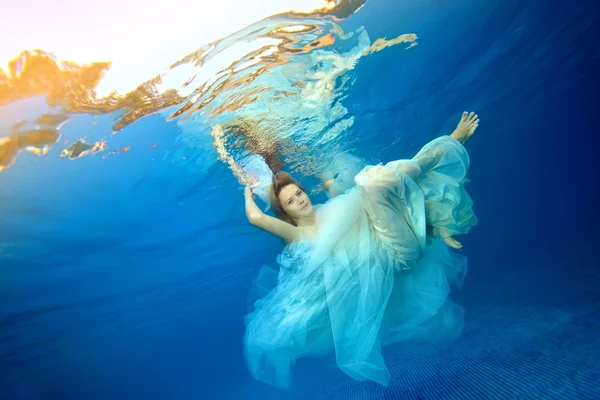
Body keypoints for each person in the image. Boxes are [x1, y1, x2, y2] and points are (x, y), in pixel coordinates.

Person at [224, 111, 479, 387]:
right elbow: (256, 218)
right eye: (290, 202)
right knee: (372, 183)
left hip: (399, 239)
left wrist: (318, 169)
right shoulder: (298, 234)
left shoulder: (331, 209)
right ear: (286, 213)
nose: (299, 200)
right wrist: (246, 189)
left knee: (372, 183)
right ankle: (451, 151)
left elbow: (340, 191)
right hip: (399, 259)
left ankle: (436, 217)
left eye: (299, 193)